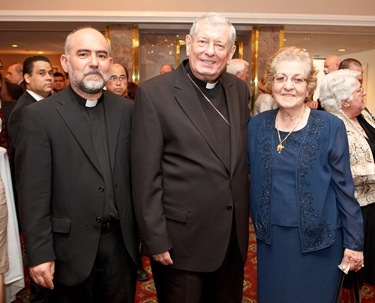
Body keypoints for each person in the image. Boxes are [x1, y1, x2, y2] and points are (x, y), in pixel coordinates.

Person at [131, 12, 250, 303]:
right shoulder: (154, 93)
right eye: (203, 42)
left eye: (219, 45)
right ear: (188, 43)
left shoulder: (239, 90)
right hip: (181, 242)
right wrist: (155, 239)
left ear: (231, 52)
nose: (210, 51)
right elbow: (145, 176)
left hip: (231, 240)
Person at [15, 26, 138, 302]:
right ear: (66, 62)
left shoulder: (130, 111)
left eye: (101, 55)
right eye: (83, 54)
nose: (94, 62)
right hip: (66, 251)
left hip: (120, 249)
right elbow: (33, 194)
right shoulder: (39, 117)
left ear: (109, 62)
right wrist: (39, 253)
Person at [248, 46, 364, 303]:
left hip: (320, 243)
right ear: (271, 83)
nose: (288, 86)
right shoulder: (256, 125)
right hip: (271, 243)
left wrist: (354, 243)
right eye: (281, 78)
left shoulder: (330, 126)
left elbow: (345, 188)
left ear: (309, 86)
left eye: (297, 79)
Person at [320, 69, 375, 302]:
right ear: (344, 101)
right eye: (358, 91)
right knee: (351, 271)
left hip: (373, 204)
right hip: (354, 209)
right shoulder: (334, 125)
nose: (363, 93)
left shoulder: (365, 115)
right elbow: (342, 171)